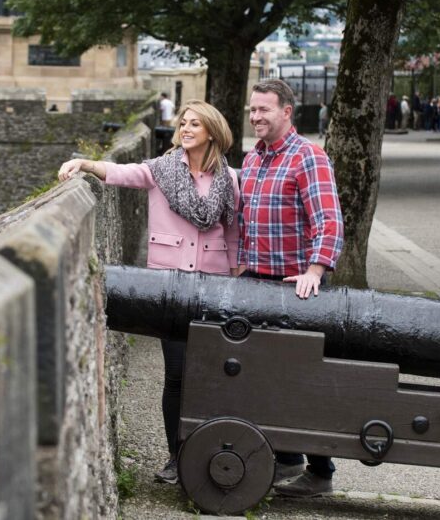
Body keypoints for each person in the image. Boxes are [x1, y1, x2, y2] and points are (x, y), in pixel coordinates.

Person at [58, 100, 239, 484]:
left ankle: (207, 452)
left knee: (210, 376)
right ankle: (176, 457)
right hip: (168, 288)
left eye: (195, 124)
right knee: (175, 374)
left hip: (214, 285)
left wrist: (237, 275)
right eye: (183, 123)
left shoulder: (228, 178)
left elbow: (233, 231)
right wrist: (85, 164)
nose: (186, 128)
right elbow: (123, 172)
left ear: (212, 131)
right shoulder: (162, 170)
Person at [239, 79, 344, 497]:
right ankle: (285, 459)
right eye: (252, 109)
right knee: (253, 374)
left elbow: (328, 220)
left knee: (298, 383)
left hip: (295, 287)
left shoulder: (308, 157)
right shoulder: (253, 159)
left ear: (287, 112)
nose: (255, 116)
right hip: (257, 280)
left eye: (263, 109)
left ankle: (321, 471)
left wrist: (315, 271)